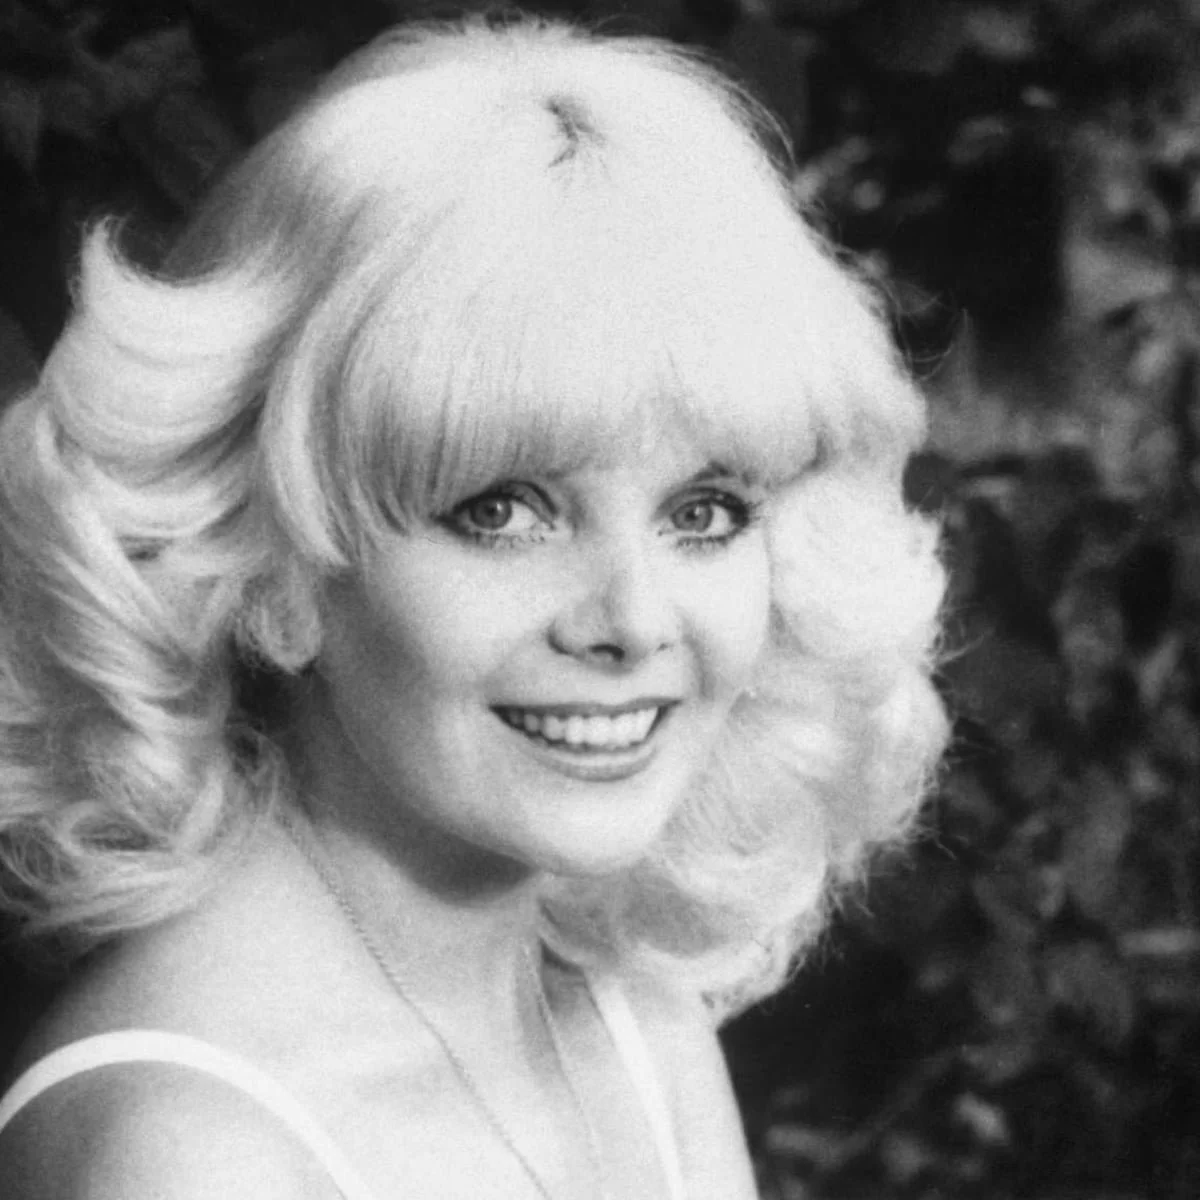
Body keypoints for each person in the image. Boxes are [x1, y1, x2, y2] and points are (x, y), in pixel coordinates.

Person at [0, 10, 947, 1199]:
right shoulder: (188, 1154)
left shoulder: (632, 1026)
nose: (634, 619)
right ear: (270, 568)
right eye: (503, 511)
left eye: (703, 512)